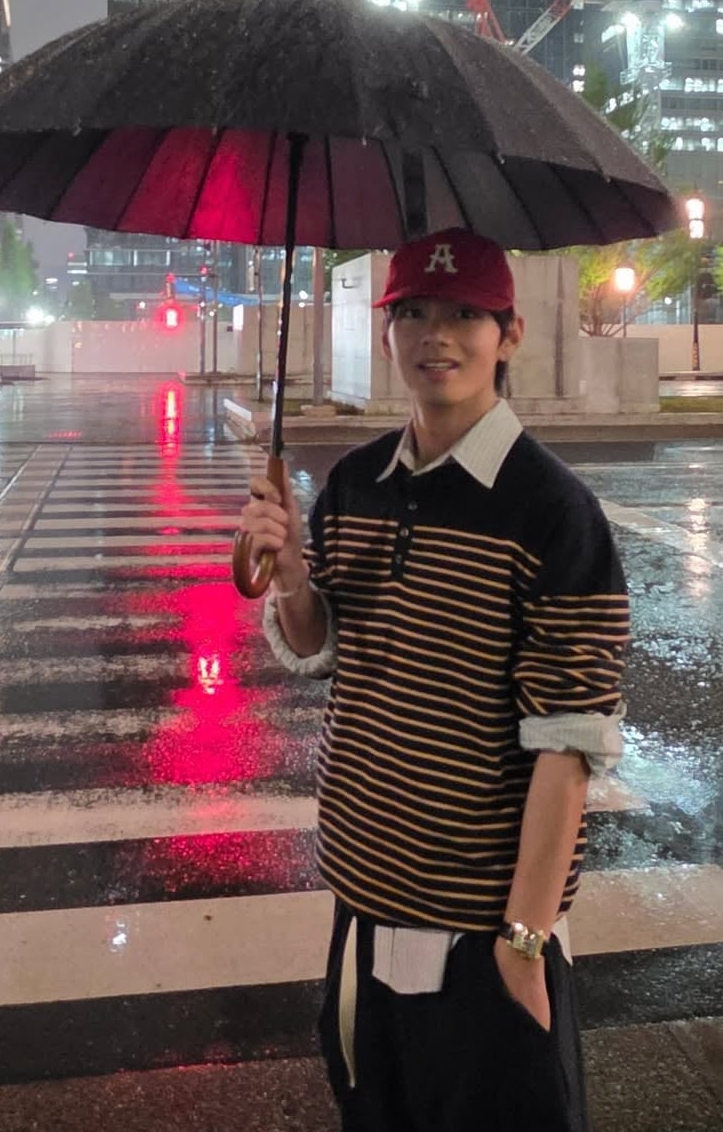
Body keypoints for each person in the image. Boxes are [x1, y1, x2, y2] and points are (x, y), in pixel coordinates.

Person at [238, 228, 628, 1132]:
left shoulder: (554, 511)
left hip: (480, 929)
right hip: (362, 897)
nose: (435, 335)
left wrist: (523, 945)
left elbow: (568, 748)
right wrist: (292, 575)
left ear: (509, 333)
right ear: (387, 334)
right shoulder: (356, 484)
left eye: (464, 314)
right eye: (412, 311)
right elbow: (320, 647)